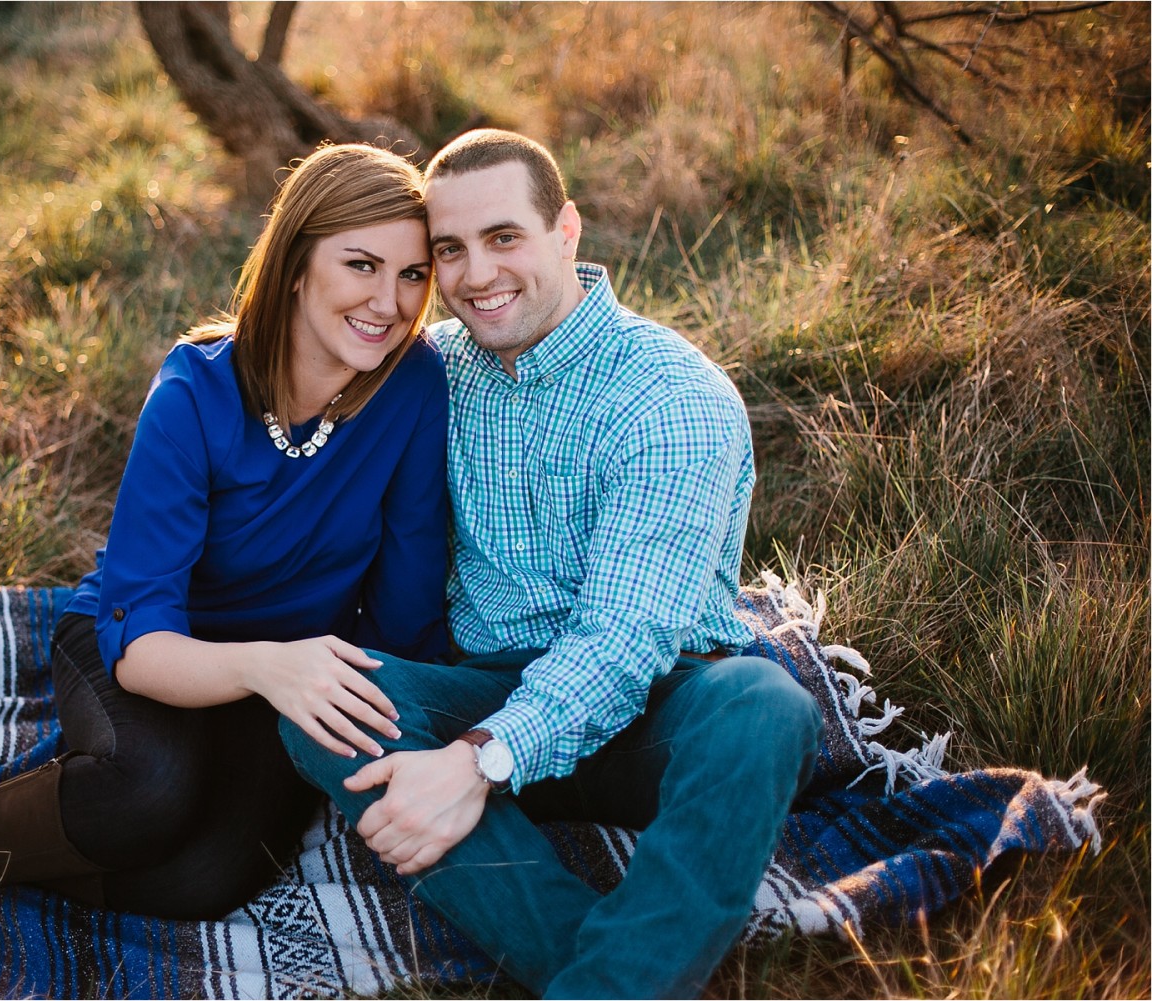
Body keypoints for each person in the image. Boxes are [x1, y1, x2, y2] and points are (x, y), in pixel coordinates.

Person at [0, 142, 451, 945]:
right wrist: (263, 662)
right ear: (295, 264)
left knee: (207, 876)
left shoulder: (414, 385)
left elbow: (408, 592)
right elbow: (142, 639)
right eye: (361, 264)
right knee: (147, 792)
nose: (389, 302)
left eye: (412, 274)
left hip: (284, 682)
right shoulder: (195, 394)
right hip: (145, 650)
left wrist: (425, 732)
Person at [281, 129, 823, 999]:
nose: (476, 274)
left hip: (652, 711)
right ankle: (608, 969)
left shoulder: (669, 397)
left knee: (765, 707)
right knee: (319, 700)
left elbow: (626, 637)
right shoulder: (433, 372)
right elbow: (298, 377)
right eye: (449, 251)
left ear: (566, 230)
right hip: (480, 684)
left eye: (504, 238)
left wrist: (477, 764)